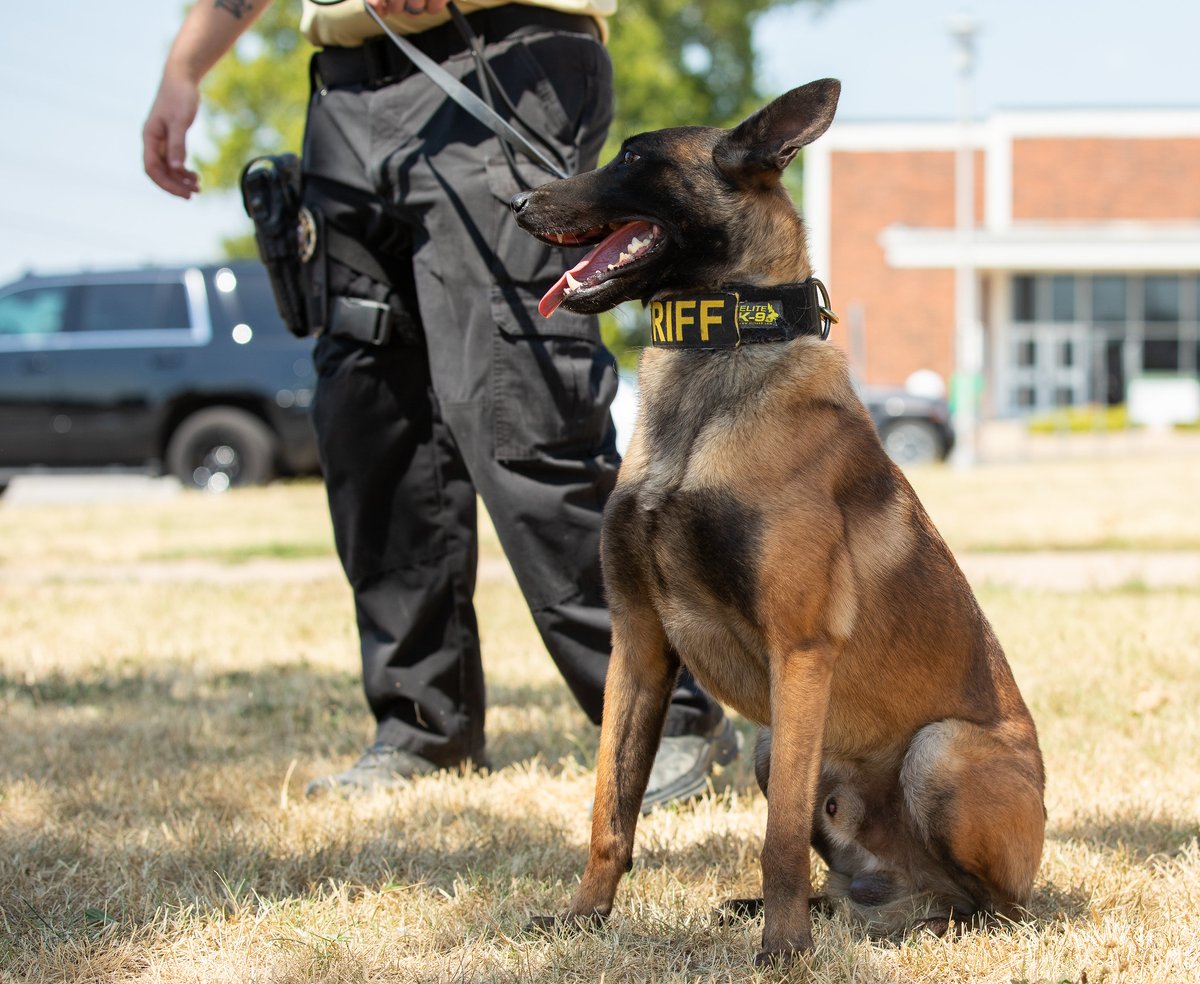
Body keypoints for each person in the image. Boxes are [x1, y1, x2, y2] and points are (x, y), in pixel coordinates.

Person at [143, 0, 738, 808]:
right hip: (349, 89)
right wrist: (186, 67)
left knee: (521, 413)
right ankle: (425, 723)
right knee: (368, 413)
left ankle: (671, 714)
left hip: (499, 59)